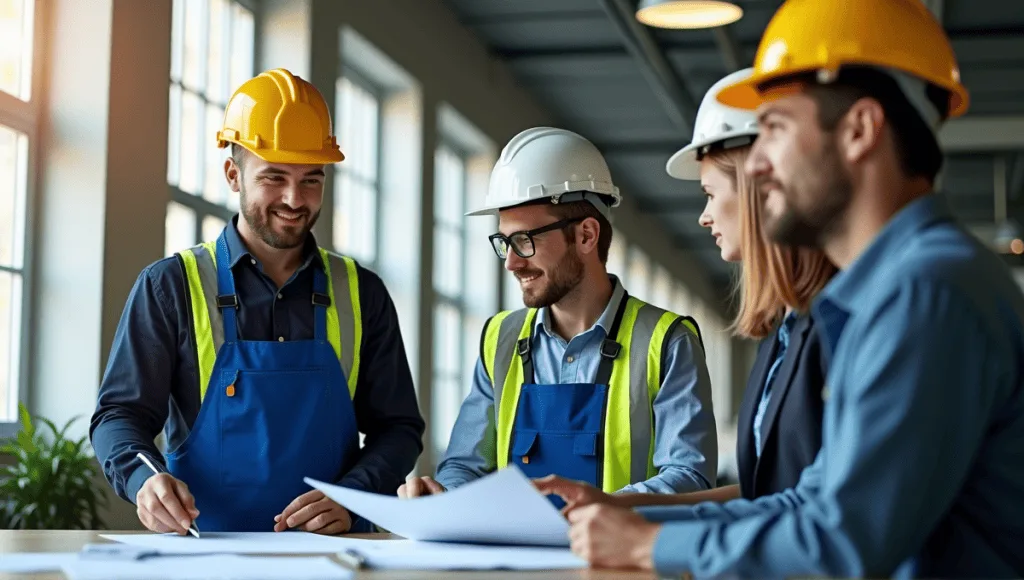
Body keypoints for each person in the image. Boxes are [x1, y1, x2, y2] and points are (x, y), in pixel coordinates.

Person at [561, 0, 1024, 576]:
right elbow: (807, 504)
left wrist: (645, 546)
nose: (755, 166)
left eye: (776, 128)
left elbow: (841, 542)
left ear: (859, 130)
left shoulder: (926, 291)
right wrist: (635, 522)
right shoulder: (886, 293)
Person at [90, 68, 425, 535]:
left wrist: (352, 497)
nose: (295, 198)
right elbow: (119, 415)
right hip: (205, 551)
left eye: (312, 179)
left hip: (336, 553)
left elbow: (398, 428)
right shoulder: (169, 287)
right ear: (234, 174)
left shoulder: (362, 292)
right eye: (274, 177)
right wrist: (145, 480)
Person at [537, 68, 836, 510]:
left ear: (760, 186)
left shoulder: (838, 323)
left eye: (710, 194)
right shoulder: (782, 331)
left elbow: (825, 512)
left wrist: (645, 540)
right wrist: (614, 507)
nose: (704, 216)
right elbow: (768, 492)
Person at [398, 127, 718, 500]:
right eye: (505, 243)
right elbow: (466, 465)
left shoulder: (666, 341)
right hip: (515, 556)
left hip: (614, 557)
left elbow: (688, 476)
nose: (512, 263)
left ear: (586, 236)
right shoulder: (500, 339)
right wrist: (443, 494)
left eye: (525, 240)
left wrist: (605, 509)